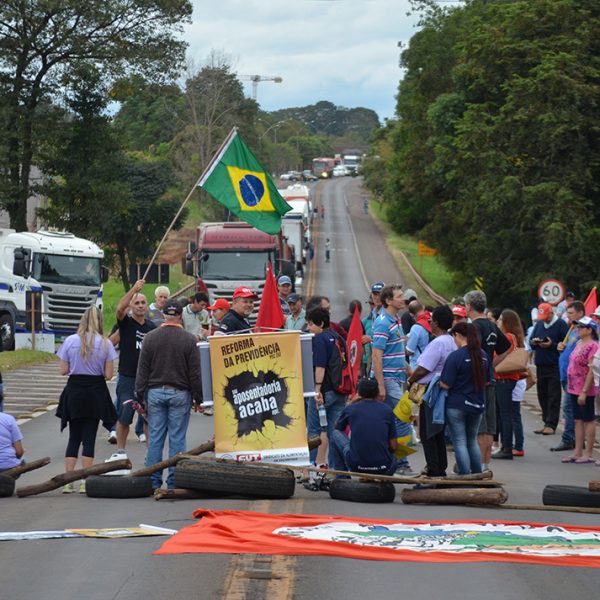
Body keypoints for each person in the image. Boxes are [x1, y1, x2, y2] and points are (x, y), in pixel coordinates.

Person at [135, 298, 203, 490]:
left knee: (155, 438)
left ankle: (153, 480)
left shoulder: (150, 337)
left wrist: (140, 396)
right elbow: (195, 373)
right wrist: (199, 398)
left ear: (164, 314)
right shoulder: (190, 340)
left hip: (155, 392)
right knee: (177, 438)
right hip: (180, 393)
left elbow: (143, 370)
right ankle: (173, 480)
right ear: (180, 317)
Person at [56, 307, 117, 493]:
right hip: (95, 392)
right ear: (100, 321)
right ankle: (84, 480)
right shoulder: (106, 344)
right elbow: (108, 375)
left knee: (74, 437)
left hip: (74, 391)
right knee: (89, 437)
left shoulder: (70, 341)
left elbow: (63, 370)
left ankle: (68, 481)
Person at [464, 290, 511, 472]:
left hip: (476, 382)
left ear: (468, 306)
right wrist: (491, 365)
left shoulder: (474, 327)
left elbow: (471, 352)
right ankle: (485, 466)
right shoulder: (492, 326)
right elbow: (506, 348)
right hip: (490, 380)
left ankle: (475, 467)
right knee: (489, 427)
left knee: (477, 426)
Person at [406, 305, 455, 477]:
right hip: (439, 387)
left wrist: (409, 380)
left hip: (427, 388)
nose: (429, 323)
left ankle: (434, 469)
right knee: (437, 430)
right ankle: (440, 466)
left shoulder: (438, 343)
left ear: (437, 323)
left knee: (427, 432)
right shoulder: (450, 341)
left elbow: (423, 369)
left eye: (431, 320)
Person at [371, 284, 414, 475]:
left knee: (392, 422)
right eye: (399, 296)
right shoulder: (382, 322)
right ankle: (401, 464)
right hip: (388, 379)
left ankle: (391, 462)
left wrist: (409, 369)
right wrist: (381, 385)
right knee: (404, 418)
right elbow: (376, 355)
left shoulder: (395, 320)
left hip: (397, 378)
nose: (403, 298)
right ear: (389, 301)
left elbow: (395, 351)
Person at [110, 279, 156, 457]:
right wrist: (134, 289)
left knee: (148, 417)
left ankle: (151, 454)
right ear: (131, 306)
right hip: (128, 378)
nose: (140, 306)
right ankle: (120, 452)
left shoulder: (152, 328)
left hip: (147, 380)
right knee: (125, 416)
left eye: (143, 302)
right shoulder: (126, 324)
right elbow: (120, 309)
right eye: (136, 303)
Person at [440, 322, 491, 475]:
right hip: (477, 404)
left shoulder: (456, 356)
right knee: (472, 440)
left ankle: (464, 474)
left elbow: (445, 384)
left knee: (460, 442)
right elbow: (487, 381)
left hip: (457, 404)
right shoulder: (483, 356)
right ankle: (477, 473)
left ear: (457, 335)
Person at [305, 307, 348, 469]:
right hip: (339, 392)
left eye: (310, 324)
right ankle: (337, 469)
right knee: (335, 433)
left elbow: (320, 367)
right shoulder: (338, 338)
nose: (308, 328)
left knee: (314, 431)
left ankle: (312, 468)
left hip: (323, 393)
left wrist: (317, 389)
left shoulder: (320, 339)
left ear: (321, 323)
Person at [330, 378, 397, 475]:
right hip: (384, 468)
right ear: (377, 393)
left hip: (357, 466)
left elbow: (337, 427)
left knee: (335, 434)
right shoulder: (387, 410)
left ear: (359, 393)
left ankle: (341, 477)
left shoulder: (351, 409)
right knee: (393, 455)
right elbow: (393, 446)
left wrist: (351, 403)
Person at [561, 316, 598, 465]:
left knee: (588, 419)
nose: (578, 329)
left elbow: (591, 370)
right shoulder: (578, 343)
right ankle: (577, 451)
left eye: (581, 327)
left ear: (590, 330)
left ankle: (588, 453)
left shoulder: (593, 346)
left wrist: (584, 390)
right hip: (573, 386)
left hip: (585, 388)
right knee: (577, 420)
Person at [530, 301, 569, 435]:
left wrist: (552, 345)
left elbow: (565, 344)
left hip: (554, 364)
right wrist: (535, 342)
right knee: (542, 394)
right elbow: (531, 341)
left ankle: (551, 424)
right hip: (540, 364)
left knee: (553, 395)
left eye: (546, 316)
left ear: (551, 313)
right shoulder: (540, 324)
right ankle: (546, 421)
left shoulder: (560, 325)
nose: (544, 319)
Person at [552, 300, 585, 452]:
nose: (568, 316)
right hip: (566, 375)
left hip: (576, 377)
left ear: (580, 313)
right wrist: (561, 348)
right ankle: (576, 439)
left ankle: (569, 439)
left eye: (571, 313)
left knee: (568, 408)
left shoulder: (584, 330)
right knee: (571, 409)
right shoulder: (572, 328)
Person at [493, 309, 526, 460]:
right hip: (509, 377)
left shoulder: (507, 337)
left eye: (500, 320)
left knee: (504, 414)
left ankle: (506, 447)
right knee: (505, 413)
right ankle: (506, 446)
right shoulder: (515, 337)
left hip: (504, 377)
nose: (498, 322)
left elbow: (497, 355)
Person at [405, 300, 432, 375]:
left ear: (411, 314)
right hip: (430, 365)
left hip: (417, 367)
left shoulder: (416, 328)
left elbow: (410, 351)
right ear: (423, 307)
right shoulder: (431, 321)